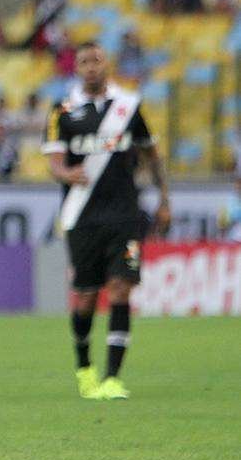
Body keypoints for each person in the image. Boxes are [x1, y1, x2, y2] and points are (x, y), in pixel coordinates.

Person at [42, 41, 171, 400]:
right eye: (84, 61)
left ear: (106, 64)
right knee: (84, 297)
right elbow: (53, 160)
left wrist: (164, 198)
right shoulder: (63, 110)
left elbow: (152, 154)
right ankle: (85, 369)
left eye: (96, 60)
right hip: (81, 215)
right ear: (77, 68)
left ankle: (113, 377)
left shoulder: (128, 106)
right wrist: (67, 173)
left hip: (124, 214)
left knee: (120, 288)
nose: (91, 67)